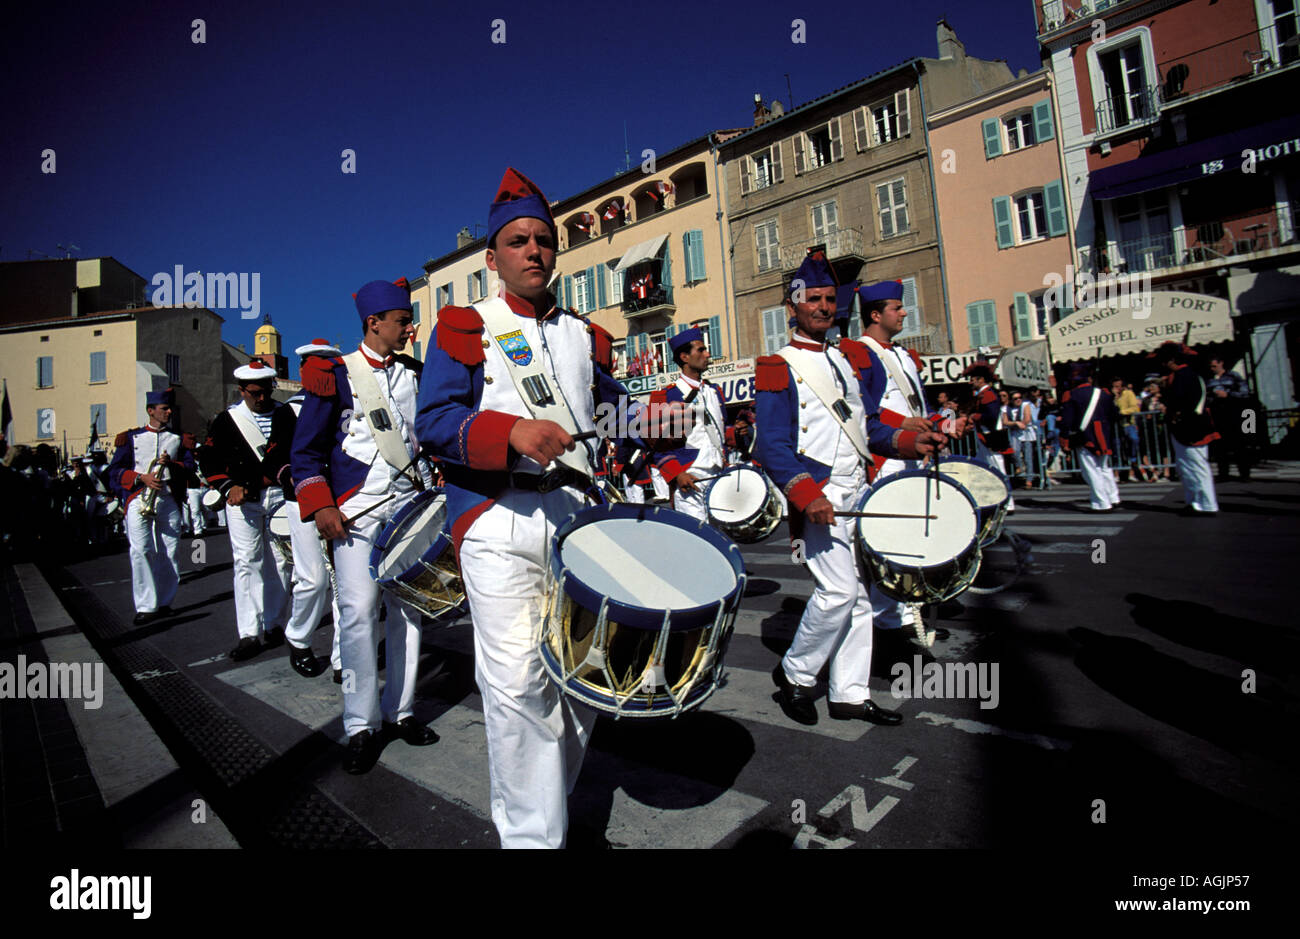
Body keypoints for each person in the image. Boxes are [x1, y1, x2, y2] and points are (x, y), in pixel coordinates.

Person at [415, 168, 684, 847]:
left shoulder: (584, 337)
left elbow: (614, 414)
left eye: (542, 239)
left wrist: (660, 423)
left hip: (575, 522)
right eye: (517, 241)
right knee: (517, 688)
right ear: (493, 257)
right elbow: (436, 421)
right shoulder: (464, 325)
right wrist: (507, 433)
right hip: (495, 518)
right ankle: (534, 839)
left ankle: (546, 810)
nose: (532, 250)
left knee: (581, 677)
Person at [755, 252, 945, 728]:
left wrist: (909, 440)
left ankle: (849, 694)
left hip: (858, 495)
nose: (822, 307)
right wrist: (806, 495)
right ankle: (796, 676)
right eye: (813, 300)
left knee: (859, 596)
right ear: (792, 308)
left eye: (828, 299)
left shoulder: (848, 362)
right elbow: (772, 445)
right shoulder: (779, 366)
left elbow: (871, 429)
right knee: (839, 592)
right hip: (818, 498)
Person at [293, 278, 438, 774]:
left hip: (410, 507)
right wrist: (322, 505)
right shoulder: (334, 375)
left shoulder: (417, 374)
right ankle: (360, 724)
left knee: (409, 613)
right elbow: (306, 452)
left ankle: (401, 711)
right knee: (356, 614)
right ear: (374, 322)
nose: (409, 327)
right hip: (356, 511)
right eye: (402, 320)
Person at [854, 278, 954, 648]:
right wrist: (906, 426)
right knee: (886, 542)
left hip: (911, 453)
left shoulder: (902, 354)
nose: (904, 312)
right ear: (876, 314)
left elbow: (915, 405)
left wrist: (940, 426)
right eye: (897, 308)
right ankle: (887, 621)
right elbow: (865, 412)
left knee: (911, 536)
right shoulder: (858, 353)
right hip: (886, 458)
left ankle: (902, 614)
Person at [200, 361, 294, 661]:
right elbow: (209, 460)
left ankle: (276, 623)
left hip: (278, 494)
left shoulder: (284, 415)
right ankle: (249, 633)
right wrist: (229, 487)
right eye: (255, 393)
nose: (262, 398)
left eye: (266, 391)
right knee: (247, 562)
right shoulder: (227, 420)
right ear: (242, 390)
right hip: (243, 499)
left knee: (281, 561)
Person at [265, 339, 345, 680]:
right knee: (312, 579)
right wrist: (296, 480)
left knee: (346, 584)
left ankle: (346, 657)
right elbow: (276, 457)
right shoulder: (288, 411)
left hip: (344, 498)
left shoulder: (347, 400)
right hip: (304, 501)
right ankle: (298, 636)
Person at [108, 389, 196, 625]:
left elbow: (190, 469)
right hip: (139, 498)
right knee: (141, 550)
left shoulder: (178, 439)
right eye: (164, 409)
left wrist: (172, 465)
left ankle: (165, 601)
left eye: (169, 409)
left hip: (167, 498)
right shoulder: (131, 438)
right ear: (151, 411)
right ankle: (146, 605)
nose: (169, 412)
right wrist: (141, 478)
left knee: (170, 550)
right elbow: (114, 471)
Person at [651, 326, 729, 523]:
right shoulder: (668, 396)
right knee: (698, 543)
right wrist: (677, 474)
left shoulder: (713, 392)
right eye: (700, 350)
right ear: (685, 357)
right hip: (690, 478)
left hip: (718, 474)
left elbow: (721, 432)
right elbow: (656, 445)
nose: (707, 354)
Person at [1151, 341, 1219, 515]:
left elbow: (1180, 401)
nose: (1162, 364)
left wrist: (1167, 407)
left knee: (1196, 466)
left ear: (1171, 359)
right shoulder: (1187, 374)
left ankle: (1207, 504)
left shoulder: (1182, 376)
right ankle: (1195, 501)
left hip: (1190, 427)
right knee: (1187, 467)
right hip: (1186, 426)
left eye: (1164, 360)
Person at [1058, 363, 1121, 511]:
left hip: (1084, 435)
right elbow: (1114, 415)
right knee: (1104, 467)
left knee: (1091, 470)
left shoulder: (1071, 395)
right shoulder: (1103, 393)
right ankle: (1113, 497)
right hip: (1104, 435)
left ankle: (1102, 503)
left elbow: (1067, 420)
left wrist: (1064, 437)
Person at [964, 365, 1016, 512]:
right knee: (984, 469)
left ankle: (1008, 502)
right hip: (984, 437)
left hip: (991, 437)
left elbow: (991, 417)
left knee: (998, 470)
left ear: (981, 380)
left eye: (973, 379)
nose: (971, 382)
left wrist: (974, 416)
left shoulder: (988, 395)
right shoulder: (983, 394)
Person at [1206, 356, 1251, 481]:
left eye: (1214, 366)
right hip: (1217, 415)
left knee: (1239, 445)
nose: (1212, 369)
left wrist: (1228, 395)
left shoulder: (1233, 376)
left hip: (1233, 413)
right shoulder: (1209, 380)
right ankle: (1223, 473)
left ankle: (1244, 473)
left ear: (1221, 363)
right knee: (1220, 446)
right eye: (1211, 367)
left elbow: (1245, 392)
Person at [1110, 378, 1141, 483]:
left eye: (1118, 386)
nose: (1116, 388)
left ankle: (1131, 471)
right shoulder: (1112, 397)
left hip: (1128, 424)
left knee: (1133, 441)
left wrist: (1122, 412)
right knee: (1116, 449)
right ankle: (1116, 474)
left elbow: (1134, 408)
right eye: (1114, 386)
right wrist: (1115, 397)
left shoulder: (1128, 393)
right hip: (1116, 426)